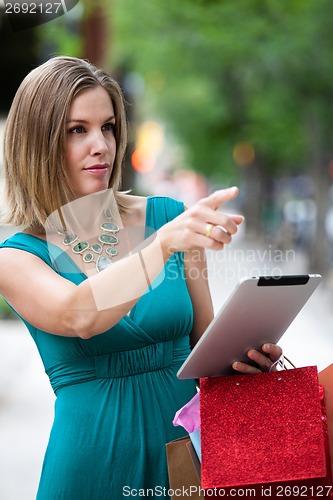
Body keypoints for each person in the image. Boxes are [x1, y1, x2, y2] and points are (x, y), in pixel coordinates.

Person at [0, 56, 282, 500]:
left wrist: (245, 358)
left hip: (185, 461)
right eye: (78, 130)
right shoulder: (17, 257)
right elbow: (78, 315)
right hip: (90, 469)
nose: (101, 145)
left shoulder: (167, 216)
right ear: (37, 143)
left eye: (108, 127)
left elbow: (203, 346)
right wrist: (161, 245)